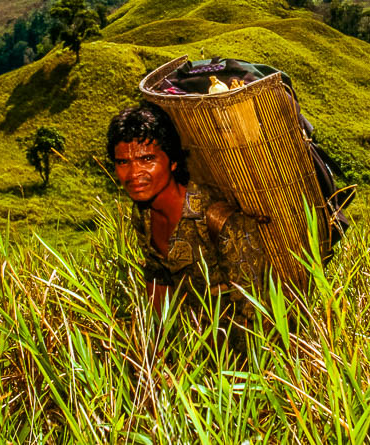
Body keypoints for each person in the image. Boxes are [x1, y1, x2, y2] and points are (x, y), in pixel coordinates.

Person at [106, 102, 269, 323]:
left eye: (147, 159)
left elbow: (257, 312)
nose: (134, 173)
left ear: (172, 161)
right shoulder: (143, 215)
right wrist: (159, 346)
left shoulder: (218, 221)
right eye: (123, 162)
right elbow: (158, 277)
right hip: (190, 347)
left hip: (235, 351)